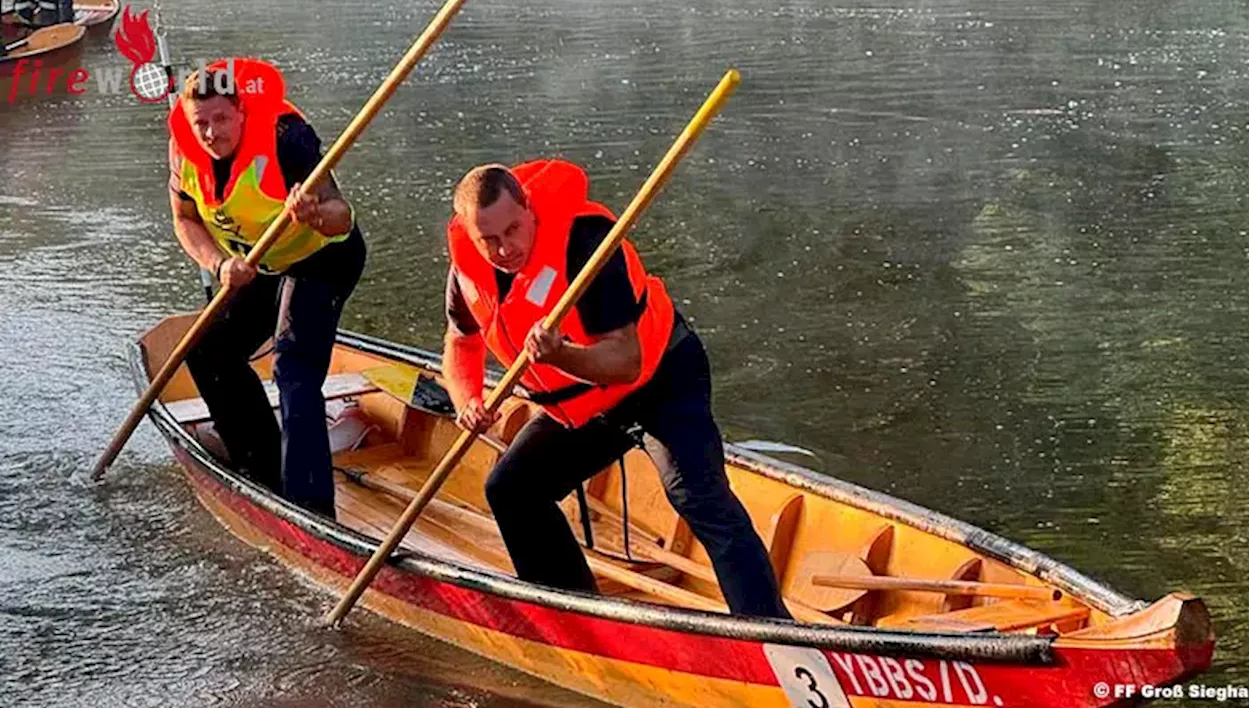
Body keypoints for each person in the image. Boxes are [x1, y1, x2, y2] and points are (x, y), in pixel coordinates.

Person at [440, 160, 790, 619]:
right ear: (469, 233)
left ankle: (771, 631)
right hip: (584, 405)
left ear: (528, 209)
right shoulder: (468, 272)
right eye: (491, 240)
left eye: (514, 229)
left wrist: (560, 354)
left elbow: (626, 363)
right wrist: (468, 401)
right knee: (512, 489)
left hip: (660, 379)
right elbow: (460, 342)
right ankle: (576, 620)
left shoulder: (584, 243)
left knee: (697, 496)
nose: (506, 249)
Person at [167, 58, 365, 518]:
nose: (212, 133)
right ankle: (262, 469)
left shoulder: (286, 140)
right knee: (206, 350)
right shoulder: (183, 148)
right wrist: (218, 264)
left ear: (241, 112)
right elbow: (186, 219)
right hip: (258, 262)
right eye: (202, 123)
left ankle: (310, 509)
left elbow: (342, 214)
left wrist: (314, 212)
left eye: (221, 119)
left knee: (293, 364)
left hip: (323, 257)